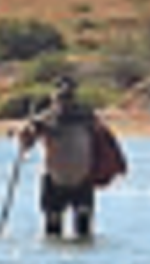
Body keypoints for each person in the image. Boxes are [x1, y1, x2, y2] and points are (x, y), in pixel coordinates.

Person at [18, 76, 99, 238]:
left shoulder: (85, 117)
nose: (65, 100)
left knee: (79, 227)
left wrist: (29, 132)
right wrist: (27, 132)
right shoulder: (49, 119)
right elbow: (27, 142)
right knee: (56, 227)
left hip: (79, 177)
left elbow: (27, 143)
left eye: (67, 95)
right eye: (62, 96)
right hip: (59, 177)